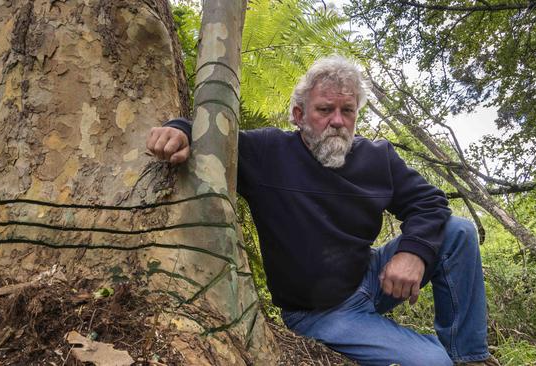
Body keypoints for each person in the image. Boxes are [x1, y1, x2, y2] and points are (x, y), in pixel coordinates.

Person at [146, 55, 497, 366]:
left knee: (459, 232)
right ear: (299, 115)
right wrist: (178, 131)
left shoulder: (377, 157)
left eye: (347, 111)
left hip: (370, 278)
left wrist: (413, 253)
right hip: (320, 313)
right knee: (431, 363)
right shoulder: (269, 152)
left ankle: (468, 356)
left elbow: (429, 202)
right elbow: (212, 138)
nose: (338, 121)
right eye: (325, 110)